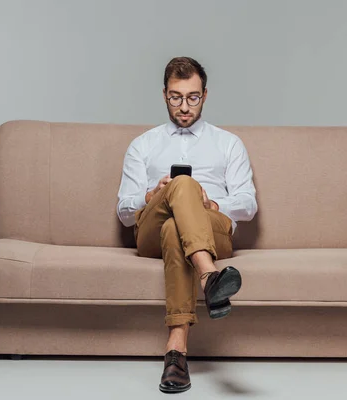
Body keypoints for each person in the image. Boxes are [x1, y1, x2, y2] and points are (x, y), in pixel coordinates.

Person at [116, 56, 258, 393]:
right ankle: (210, 276)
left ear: (205, 95)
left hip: (212, 229)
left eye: (192, 97)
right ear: (164, 94)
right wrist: (151, 195)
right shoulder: (143, 145)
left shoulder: (228, 143)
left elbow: (249, 205)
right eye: (176, 97)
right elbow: (124, 211)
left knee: (175, 228)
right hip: (150, 231)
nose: (184, 106)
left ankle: (176, 352)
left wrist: (212, 203)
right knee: (181, 186)